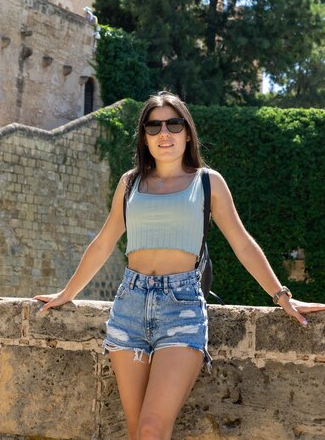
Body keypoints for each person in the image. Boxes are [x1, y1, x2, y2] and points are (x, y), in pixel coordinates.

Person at [34, 91, 325, 440]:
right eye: (154, 126)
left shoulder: (207, 182)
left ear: (188, 133)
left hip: (182, 309)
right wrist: (67, 293)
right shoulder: (130, 183)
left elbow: (242, 243)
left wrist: (282, 296)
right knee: (135, 430)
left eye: (174, 124)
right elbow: (104, 242)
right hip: (129, 306)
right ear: (144, 136)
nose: (164, 133)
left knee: (153, 429)